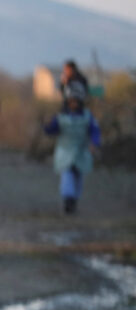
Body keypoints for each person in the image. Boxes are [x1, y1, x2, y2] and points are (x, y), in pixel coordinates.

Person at [44, 81, 102, 214]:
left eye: (76, 101)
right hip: (65, 152)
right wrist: (46, 127)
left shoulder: (88, 116)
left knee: (78, 178)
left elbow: (95, 131)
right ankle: (68, 200)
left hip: (82, 153)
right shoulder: (61, 116)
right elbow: (52, 129)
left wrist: (95, 143)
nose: (73, 103)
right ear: (67, 101)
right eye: (71, 101)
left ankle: (74, 200)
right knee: (67, 175)